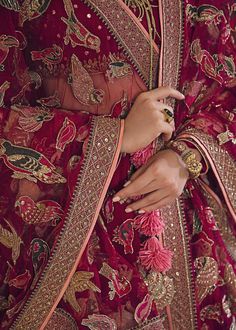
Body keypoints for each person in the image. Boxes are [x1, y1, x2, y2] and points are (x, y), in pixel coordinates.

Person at [0, 0, 235, 329]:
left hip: (189, 226)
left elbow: (226, 84)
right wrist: (113, 138)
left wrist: (186, 156)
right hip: (77, 237)